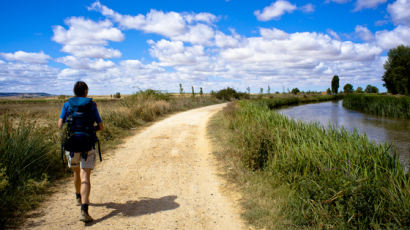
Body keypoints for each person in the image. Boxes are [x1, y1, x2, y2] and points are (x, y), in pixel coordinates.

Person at [58, 81, 103, 223]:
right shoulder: (92, 105)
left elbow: (60, 125)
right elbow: (101, 126)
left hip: (71, 145)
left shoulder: (67, 105)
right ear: (86, 91)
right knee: (85, 175)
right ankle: (84, 210)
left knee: (76, 172)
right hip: (87, 144)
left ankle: (78, 196)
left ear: (74, 91)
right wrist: (89, 130)